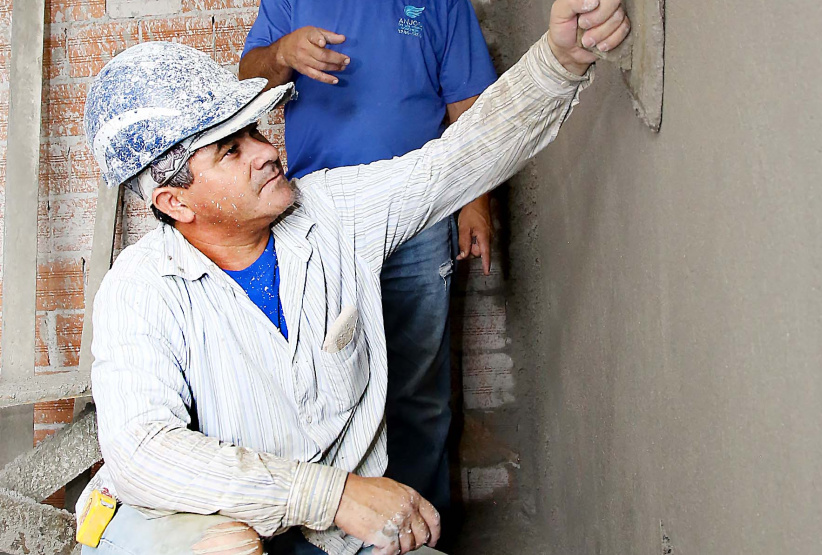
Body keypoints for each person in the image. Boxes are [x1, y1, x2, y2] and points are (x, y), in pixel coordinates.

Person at [76, 1, 630, 554]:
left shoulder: (332, 212)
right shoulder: (140, 289)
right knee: (228, 547)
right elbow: (143, 454)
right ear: (175, 202)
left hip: (336, 538)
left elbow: (456, 161)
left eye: (256, 133)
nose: (268, 152)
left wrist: (561, 60)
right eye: (230, 151)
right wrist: (334, 495)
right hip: (217, 530)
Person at [237, 0, 498, 520]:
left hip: (420, 209)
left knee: (420, 389)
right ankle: (349, 534)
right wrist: (282, 54)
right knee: (330, 387)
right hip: (322, 219)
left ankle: (422, 532)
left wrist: (476, 201)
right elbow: (248, 83)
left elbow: (470, 105)